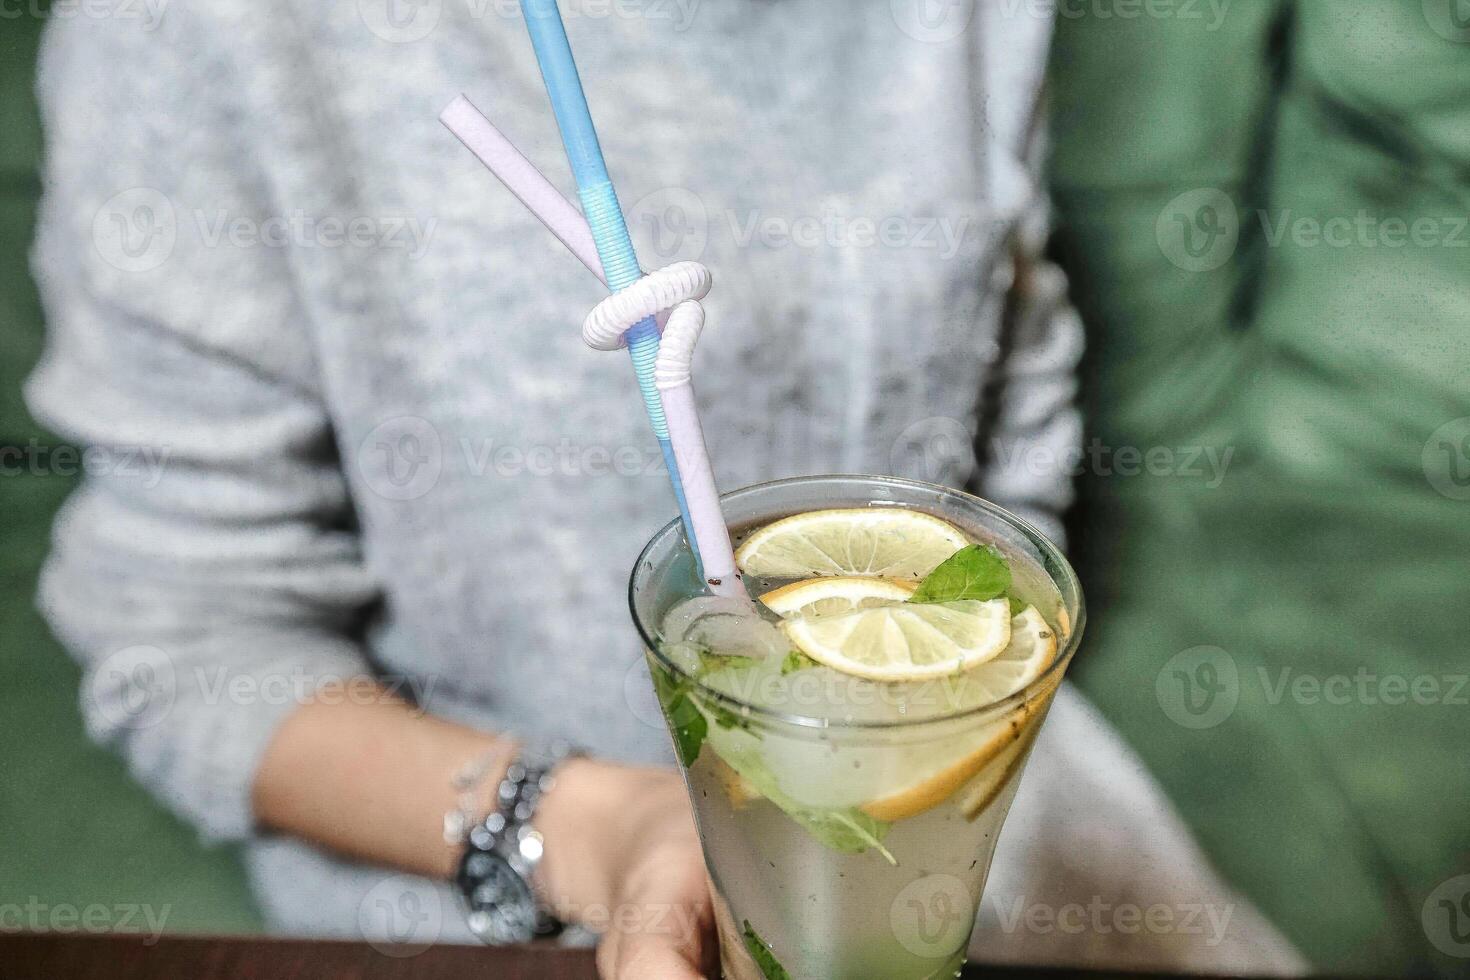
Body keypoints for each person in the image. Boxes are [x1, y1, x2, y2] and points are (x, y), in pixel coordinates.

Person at [27, 2, 1301, 976]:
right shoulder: (209, 31)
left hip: (953, 809)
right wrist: (591, 827)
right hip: (488, 863)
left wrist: (910, 717)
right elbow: (183, 634)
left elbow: (1015, 438)